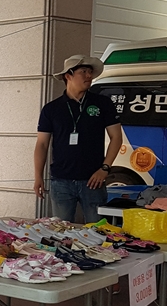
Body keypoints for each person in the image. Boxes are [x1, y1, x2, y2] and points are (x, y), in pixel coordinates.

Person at [33, 55, 122, 223]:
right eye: (83, 72)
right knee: (61, 230)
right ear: (68, 76)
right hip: (61, 181)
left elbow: (116, 137)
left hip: (93, 179)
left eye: (90, 72)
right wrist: (38, 176)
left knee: (97, 229)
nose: (89, 76)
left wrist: (105, 168)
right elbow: (42, 144)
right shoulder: (51, 109)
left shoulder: (103, 103)